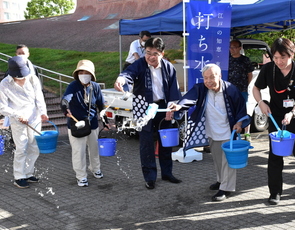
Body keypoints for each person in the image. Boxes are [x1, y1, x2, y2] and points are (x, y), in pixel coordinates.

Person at [169, 63, 250, 201]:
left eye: (212, 77)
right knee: (218, 159)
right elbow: (189, 99)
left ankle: (226, 188)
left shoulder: (230, 89)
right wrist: (178, 106)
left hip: (228, 131)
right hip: (212, 130)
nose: (208, 81)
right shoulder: (201, 88)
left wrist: (239, 123)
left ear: (220, 76)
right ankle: (220, 181)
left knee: (228, 161)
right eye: (205, 78)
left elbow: (241, 108)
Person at [253, 38, 295, 205]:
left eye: (283, 57)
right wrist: (260, 103)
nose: (279, 61)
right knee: (275, 154)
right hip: (274, 115)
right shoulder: (268, 69)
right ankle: (275, 192)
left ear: (292, 54)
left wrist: (292, 113)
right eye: (276, 57)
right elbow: (255, 88)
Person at [114, 37, 182, 189]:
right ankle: (150, 177)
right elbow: (128, 74)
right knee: (146, 143)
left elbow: (173, 89)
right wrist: (121, 80)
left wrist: (171, 108)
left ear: (162, 54)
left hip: (163, 107)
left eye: (155, 53)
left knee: (166, 142)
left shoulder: (168, 67)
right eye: (148, 52)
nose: (151, 56)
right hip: (142, 107)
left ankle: (167, 173)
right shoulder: (139, 64)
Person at [0, 55, 49, 188]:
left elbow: (39, 97)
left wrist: (43, 112)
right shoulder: (4, 84)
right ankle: (19, 176)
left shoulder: (33, 79)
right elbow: (2, 106)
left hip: (34, 117)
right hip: (18, 120)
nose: (21, 77)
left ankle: (28, 173)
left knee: (34, 147)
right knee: (21, 148)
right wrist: (17, 115)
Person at [61, 60, 109, 187]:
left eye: (86, 72)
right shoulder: (72, 86)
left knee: (94, 148)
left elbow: (101, 105)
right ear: (77, 74)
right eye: (81, 72)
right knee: (78, 151)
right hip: (76, 124)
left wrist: (105, 121)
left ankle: (95, 168)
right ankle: (81, 176)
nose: (83, 74)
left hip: (92, 123)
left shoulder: (95, 86)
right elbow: (66, 99)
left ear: (91, 74)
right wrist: (65, 108)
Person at [228, 39, 254, 141]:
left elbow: (250, 74)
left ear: (240, 48)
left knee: (243, 110)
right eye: (230, 47)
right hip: (229, 90)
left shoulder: (245, 60)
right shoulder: (227, 59)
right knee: (230, 111)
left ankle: (246, 133)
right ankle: (232, 132)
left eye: (234, 47)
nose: (232, 49)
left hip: (242, 89)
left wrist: (246, 85)